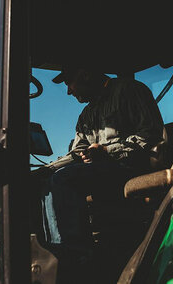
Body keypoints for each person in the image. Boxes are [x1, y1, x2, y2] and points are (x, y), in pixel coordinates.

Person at [40, 66, 164, 283]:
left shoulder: (129, 90)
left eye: (70, 82)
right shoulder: (87, 114)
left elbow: (150, 134)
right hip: (101, 172)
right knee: (47, 180)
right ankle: (53, 251)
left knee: (64, 179)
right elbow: (76, 153)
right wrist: (46, 169)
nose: (69, 91)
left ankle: (75, 255)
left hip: (129, 168)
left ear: (86, 73)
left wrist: (107, 150)